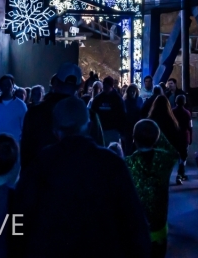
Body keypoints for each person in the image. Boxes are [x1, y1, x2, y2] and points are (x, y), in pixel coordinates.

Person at [15, 96, 151, 257]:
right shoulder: (112, 164)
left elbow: (21, 218)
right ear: (89, 126)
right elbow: (134, 224)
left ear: (55, 131)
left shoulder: (41, 164)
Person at [127, 119, 180, 258]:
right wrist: (156, 132)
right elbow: (174, 152)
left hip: (135, 228)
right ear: (157, 138)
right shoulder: (165, 159)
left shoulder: (127, 163)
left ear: (134, 139)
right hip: (159, 227)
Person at [19, 62, 84, 169]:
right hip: (75, 180)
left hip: (40, 177)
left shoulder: (35, 113)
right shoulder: (87, 115)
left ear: (55, 83)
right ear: (79, 86)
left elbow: (26, 151)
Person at [147, 95, 184, 184]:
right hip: (167, 148)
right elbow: (176, 135)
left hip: (155, 147)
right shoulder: (171, 120)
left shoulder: (152, 119)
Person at [0, 74, 28, 143]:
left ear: (13, 86)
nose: (6, 87)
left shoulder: (21, 105)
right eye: (3, 85)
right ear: (0, 87)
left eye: (8, 84)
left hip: (14, 145)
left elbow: (25, 127)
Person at [90, 75, 127, 147]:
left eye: (107, 86)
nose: (105, 88)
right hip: (101, 129)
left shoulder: (117, 99)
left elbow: (122, 116)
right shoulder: (98, 98)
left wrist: (121, 131)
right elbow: (92, 113)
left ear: (111, 86)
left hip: (113, 130)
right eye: (104, 85)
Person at [173, 94, 193, 183]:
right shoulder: (187, 113)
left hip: (175, 135)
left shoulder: (172, 112)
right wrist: (191, 137)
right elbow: (190, 126)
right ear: (184, 102)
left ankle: (180, 173)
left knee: (177, 155)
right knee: (183, 156)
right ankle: (180, 173)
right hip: (184, 136)